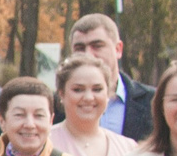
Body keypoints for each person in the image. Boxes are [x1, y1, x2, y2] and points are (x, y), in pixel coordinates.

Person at [52, 54, 135, 156]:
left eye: (97, 89)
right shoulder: (44, 143)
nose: (89, 97)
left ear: (108, 94)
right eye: (78, 90)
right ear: (61, 94)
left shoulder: (128, 148)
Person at [63, 13, 155, 141]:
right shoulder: (56, 105)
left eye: (97, 46)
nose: (88, 55)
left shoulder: (152, 102)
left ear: (118, 49)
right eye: (80, 48)